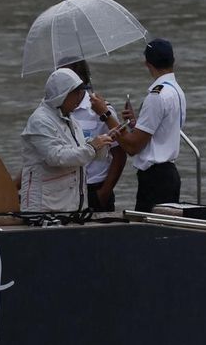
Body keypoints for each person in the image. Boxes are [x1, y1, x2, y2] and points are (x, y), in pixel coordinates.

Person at [18, 67, 113, 213]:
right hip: (45, 208)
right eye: (76, 93)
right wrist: (92, 147)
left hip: (70, 205)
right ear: (62, 95)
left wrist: (103, 143)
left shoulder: (70, 119)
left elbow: (80, 153)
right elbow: (56, 157)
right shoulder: (40, 121)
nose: (81, 97)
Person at [116, 38, 186, 212]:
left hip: (155, 178)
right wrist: (135, 124)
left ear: (147, 63)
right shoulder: (176, 90)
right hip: (168, 174)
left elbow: (133, 146)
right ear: (173, 61)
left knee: (147, 233)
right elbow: (161, 130)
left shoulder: (157, 95)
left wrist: (105, 114)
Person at [61, 60, 127, 211]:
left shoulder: (102, 109)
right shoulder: (56, 111)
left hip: (94, 188)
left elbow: (119, 153)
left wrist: (104, 192)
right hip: (66, 190)